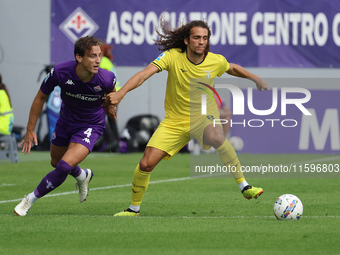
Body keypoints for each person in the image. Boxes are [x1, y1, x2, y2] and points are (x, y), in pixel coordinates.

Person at [105, 20, 269, 217]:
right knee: (146, 164)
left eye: (205, 38)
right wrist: (121, 93)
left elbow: (232, 68)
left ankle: (244, 186)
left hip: (203, 116)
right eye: (197, 38)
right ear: (186, 40)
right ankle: (134, 209)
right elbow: (144, 74)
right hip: (174, 121)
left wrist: (255, 78)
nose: (202, 42)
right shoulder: (172, 57)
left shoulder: (215, 60)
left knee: (217, 137)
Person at [14, 36, 117, 216]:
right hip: (66, 122)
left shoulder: (107, 78)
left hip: (91, 126)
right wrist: (30, 129)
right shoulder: (60, 72)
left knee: (63, 166)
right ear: (79, 57)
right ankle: (82, 176)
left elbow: (112, 97)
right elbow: (40, 97)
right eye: (92, 56)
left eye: (99, 55)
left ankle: (29, 200)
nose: (98, 60)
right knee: (56, 162)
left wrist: (110, 108)